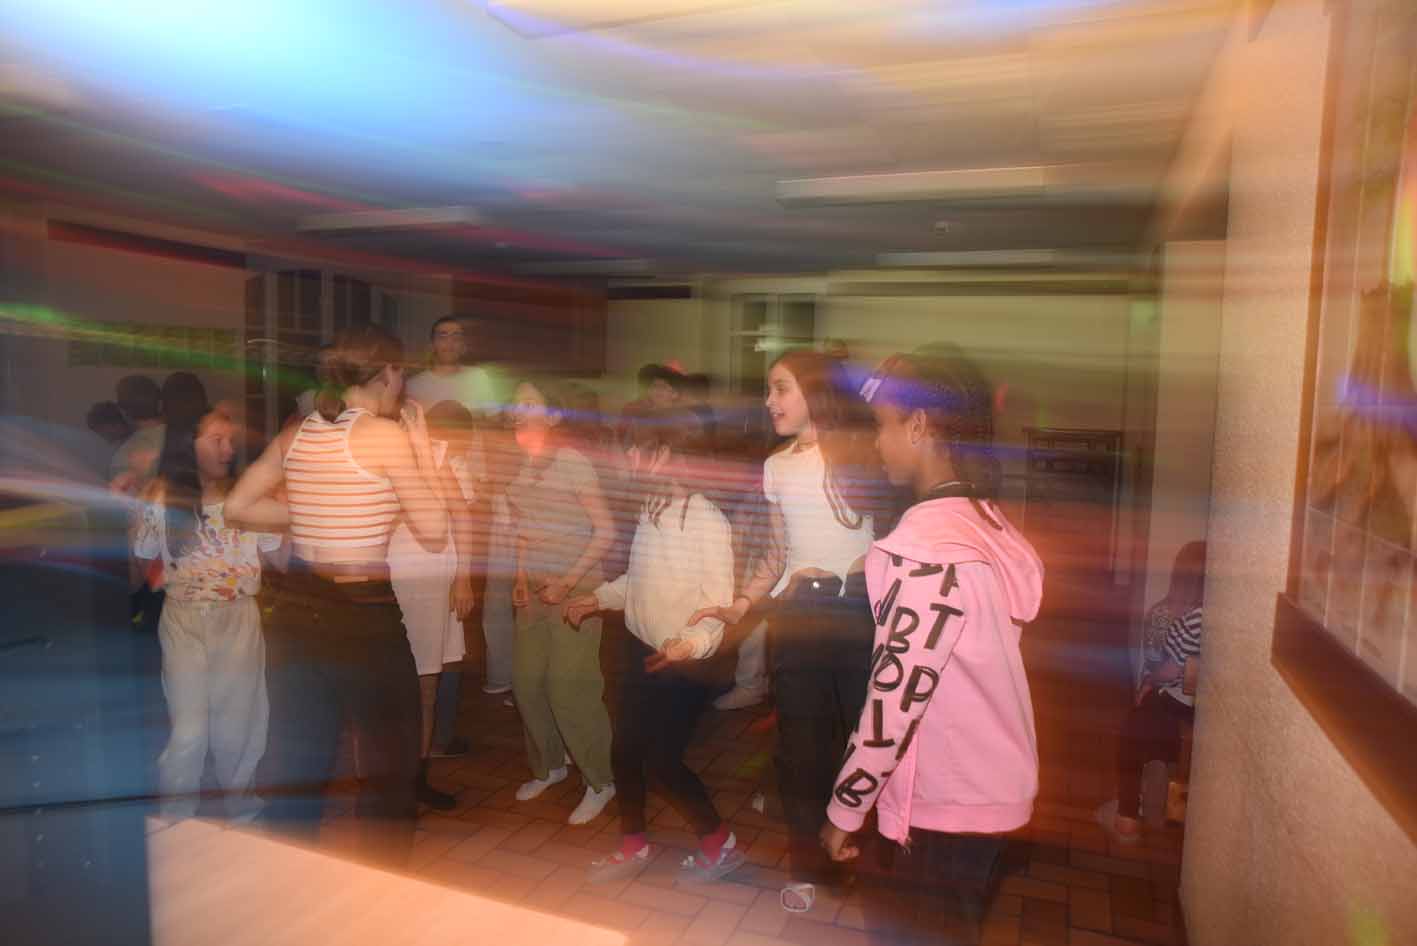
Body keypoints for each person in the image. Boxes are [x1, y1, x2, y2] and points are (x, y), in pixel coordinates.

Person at [819, 348, 1044, 946]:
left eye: (882, 426)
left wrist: (845, 809)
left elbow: (895, 698)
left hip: (948, 801)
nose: (876, 443)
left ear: (918, 425)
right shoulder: (984, 522)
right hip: (988, 787)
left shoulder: (926, 552)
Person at [225, 325, 449, 867]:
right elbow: (434, 528)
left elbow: (237, 507)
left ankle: (293, 881)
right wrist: (422, 452)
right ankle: (381, 888)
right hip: (362, 612)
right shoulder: (385, 436)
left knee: (299, 759)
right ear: (387, 373)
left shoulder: (298, 433)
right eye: (401, 374)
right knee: (391, 765)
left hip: (299, 608)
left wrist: (310, 514)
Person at [690, 349, 887, 913]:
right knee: (801, 751)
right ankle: (809, 867)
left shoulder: (859, 454)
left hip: (859, 613)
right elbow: (777, 555)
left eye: (781, 388)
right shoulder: (776, 466)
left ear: (814, 391)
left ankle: (862, 855)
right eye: (768, 390)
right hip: (799, 616)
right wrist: (742, 604)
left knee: (865, 742)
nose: (769, 400)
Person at [563, 408, 743, 885]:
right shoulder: (651, 507)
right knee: (625, 751)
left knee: (662, 762)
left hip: (681, 663)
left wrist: (690, 644)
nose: (628, 456)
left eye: (636, 448)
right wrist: (599, 598)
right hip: (638, 649)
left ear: (664, 454)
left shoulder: (706, 520)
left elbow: (719, 607)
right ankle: (633, 845)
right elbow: (638, 581)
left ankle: (720, 843)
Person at [133, 408, 281, 823]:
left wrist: (290, 507)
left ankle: (242, 810)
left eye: (230, 440)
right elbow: (144, 561)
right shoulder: (161, 499)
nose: (228, 449)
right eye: (217, 439)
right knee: (189, 730)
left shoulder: (245, 498)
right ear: (187, 445)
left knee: (238, 725)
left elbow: (279, 558)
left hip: (237, 617)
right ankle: (176, 816)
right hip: (182, 620)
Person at [506, 376, 617, 825]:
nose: (519, 412)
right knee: (526, 683)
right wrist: (519, 576)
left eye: (530, 404)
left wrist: (567, 583)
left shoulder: (572, 463)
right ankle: (550, 765)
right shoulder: (520, 464)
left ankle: (601, 781)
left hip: (577, 587)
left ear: (553, 417)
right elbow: (523, 529)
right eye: (516, 404)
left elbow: (605, 531)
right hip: (534, 588)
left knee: (569, 689)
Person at [407, 315, 509, 740]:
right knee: (435, 611)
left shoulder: (478, 379)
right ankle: (432, 723)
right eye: (442, 335)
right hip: (429, 493)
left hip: (472, 483)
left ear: (465, 343)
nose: (449, 342)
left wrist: (488, 477)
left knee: (462, 595)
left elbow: (493, 429)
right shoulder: (416, 384)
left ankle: (441, 719)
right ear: (432, 342)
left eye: (456, 335)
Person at [387, 400, 479, 808]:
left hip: (431, 579)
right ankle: (390, 775)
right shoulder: (383, 460)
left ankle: (417, 778)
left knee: (427, 683)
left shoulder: (437, 459)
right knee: (391, 682)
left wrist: (464, 579)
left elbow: (462, 517)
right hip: (391, 579)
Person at [1098, 542, 1206, 842]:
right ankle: (1154, 805)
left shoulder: (1167, 615)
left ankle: (1128, 815)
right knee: (1153, 722)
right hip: (1194, 705)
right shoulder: (1217, 616)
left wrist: (1147, 683)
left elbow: (1161, 666)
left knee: (1134, 727)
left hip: (1176, 699)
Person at [110, 374, 166, 492]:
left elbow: (122, 498)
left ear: (123, 410)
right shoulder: (189, 436)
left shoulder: (124, 456)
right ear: (159, 402)